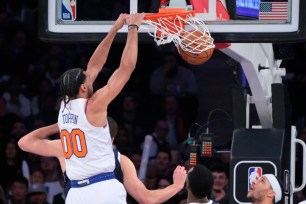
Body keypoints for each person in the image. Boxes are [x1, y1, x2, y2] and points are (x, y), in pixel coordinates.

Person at [18, 116, 187, 204]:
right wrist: (177, 186)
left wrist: (59, 125)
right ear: (113, 139)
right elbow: (147, 199)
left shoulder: (67, 148)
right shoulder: (122, 161)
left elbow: (25, 143)